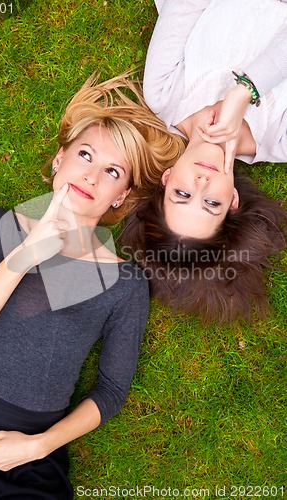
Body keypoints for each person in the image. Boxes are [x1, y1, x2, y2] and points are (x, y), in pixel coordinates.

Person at [0, 73, 182, 499]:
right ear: (60, 159)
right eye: (85, 155)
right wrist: (24, 256)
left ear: (121, 195)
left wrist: (39, 445)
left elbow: (112, 390)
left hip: (28, 460)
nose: (92, 176)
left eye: (111, 171)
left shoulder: (125, 283)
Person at [121, 0, 287, 322]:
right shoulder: (280, 139)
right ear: (233, 201)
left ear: (166, 178)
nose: (201, 184)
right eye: (211, 203)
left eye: (182, 195)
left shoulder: (165, 94)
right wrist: (246, 90)